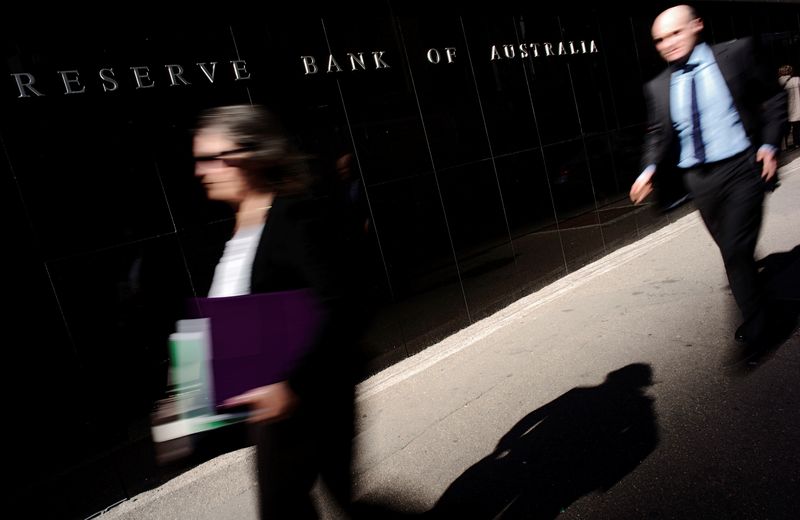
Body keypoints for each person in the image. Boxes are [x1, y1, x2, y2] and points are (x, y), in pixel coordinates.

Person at [192, 104, 365, 519]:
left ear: (248, 157)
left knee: (292, 508)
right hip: (270, 403)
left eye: (210, 157)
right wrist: (194, 379)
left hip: (305, 399)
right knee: (324, 504)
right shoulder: (243, 225)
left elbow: (341, 303)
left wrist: (290, 382)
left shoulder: (292, 216)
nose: (201, 170)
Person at [629, 5, 787, 346]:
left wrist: (770, 146)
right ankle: (757, 297)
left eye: (675, 33)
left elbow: (774, 96)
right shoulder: (658, 86)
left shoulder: (736, 54)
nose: (668, 44)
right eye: (659, 39)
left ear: (696, 25)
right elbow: (658, 133)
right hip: (699, 182)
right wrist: (649, 169)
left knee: (733, 249)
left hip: (743, 168)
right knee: (733, 251)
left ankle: (759, 328)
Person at [778, 65, 800, 150]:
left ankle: (784, 146)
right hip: (797, 107)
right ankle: (797, 143)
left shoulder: (778, 82)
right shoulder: (797, 80)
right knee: (796, 127)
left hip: (784, 110)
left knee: (785, 128)